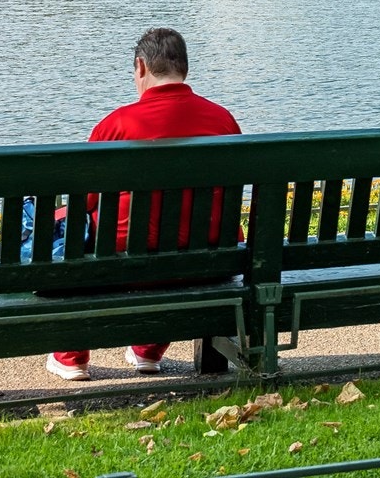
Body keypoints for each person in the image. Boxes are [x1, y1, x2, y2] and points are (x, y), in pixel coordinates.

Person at [45, 28, 241, 383]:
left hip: (128, 266)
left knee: (72, 233)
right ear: (185, 69)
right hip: (211, 263)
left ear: (140, 68)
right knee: (176, 232)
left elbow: (84, 203)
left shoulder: (117, 125)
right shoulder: (223, 121)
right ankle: (147, 350)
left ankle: (72, 355)